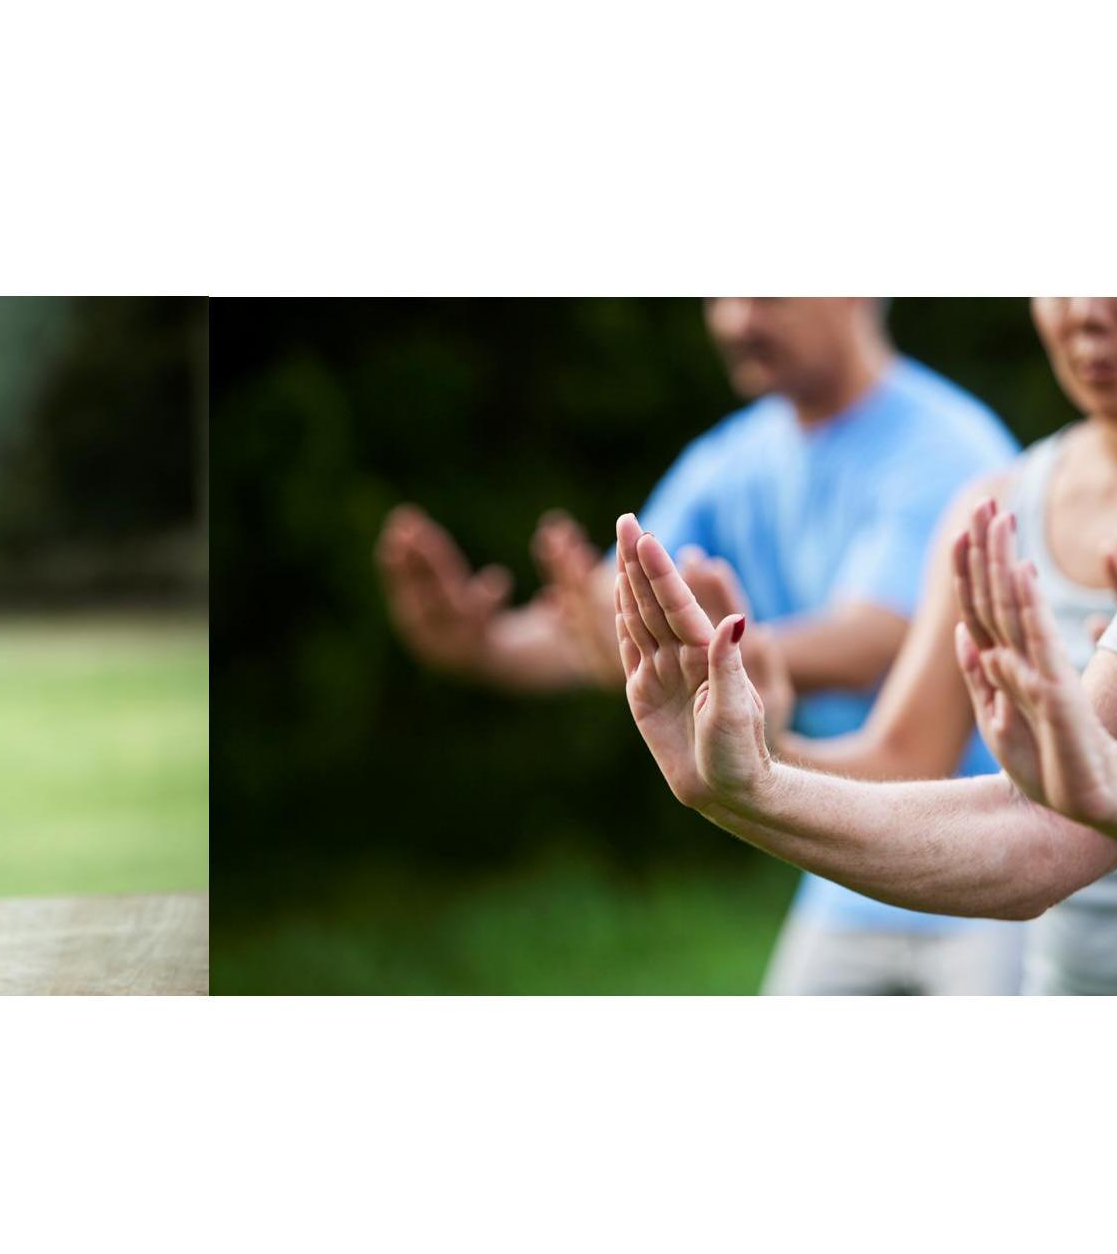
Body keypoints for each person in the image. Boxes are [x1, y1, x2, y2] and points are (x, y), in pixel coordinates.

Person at [374, 298, 1029, 994]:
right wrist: (485, 648)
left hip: (990, 856)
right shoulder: (729, 461)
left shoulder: (951, 447)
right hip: (846, 861)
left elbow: (881, 633)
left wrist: (709, 655)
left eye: (769, 291)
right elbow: (621, 622)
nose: (736, 319)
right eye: (723, 292)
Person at [607, 409, 1117, 995]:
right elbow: (1044, 829)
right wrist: (752, 778)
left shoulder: (941, 442)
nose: (1086, 310)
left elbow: (1086, 799)